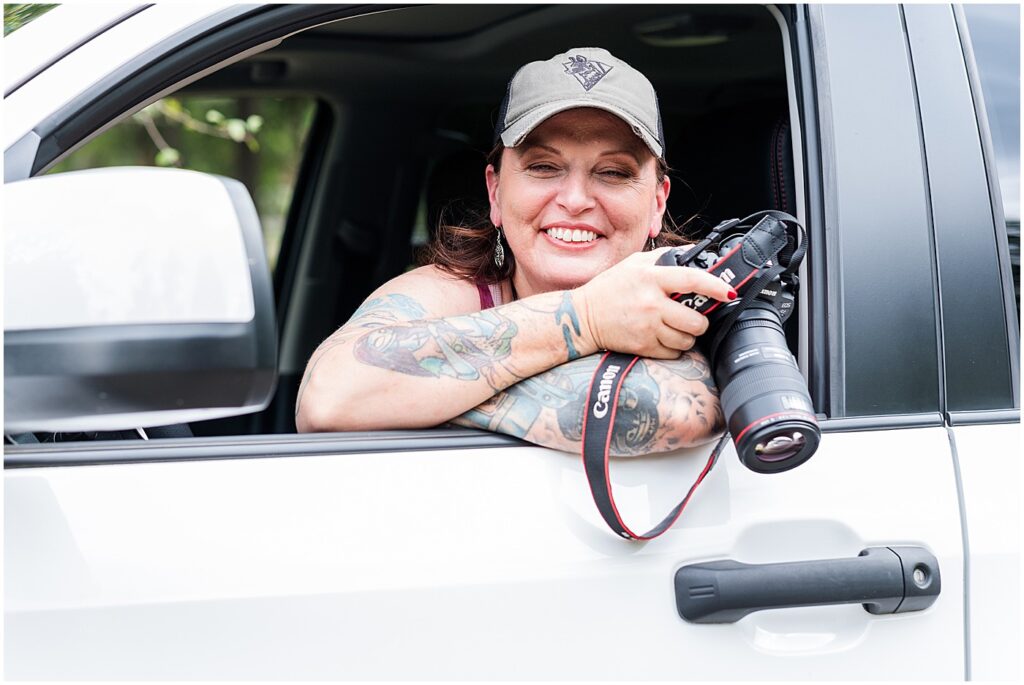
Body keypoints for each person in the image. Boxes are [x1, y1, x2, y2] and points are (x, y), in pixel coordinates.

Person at [295, 47, 737, 456]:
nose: (576, 198)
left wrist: (421, 393)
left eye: (613, 172)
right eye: (544, 166)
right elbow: (329, 399)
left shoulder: (697, 299)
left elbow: (670, 411)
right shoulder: (451, 290)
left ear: (657, 202)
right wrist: (586, 319)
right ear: (495, 191)